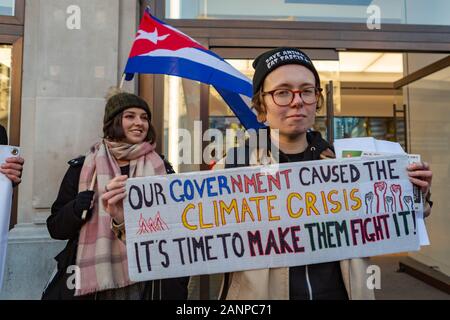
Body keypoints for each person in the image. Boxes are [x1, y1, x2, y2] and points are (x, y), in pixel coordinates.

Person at [217, 47, 433, 300]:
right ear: (261, 107)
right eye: (282, 92)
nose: (297, 101)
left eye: (307, 91)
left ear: (316, 100)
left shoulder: (350, 161)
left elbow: (391, 218)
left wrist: (417, 194)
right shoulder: (232, 166)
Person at [43, 89, 189, 300]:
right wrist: (76, 208)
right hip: (94, 282)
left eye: (144, 117)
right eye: (130, 116)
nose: (140, 123)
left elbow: (177, 224)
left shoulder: (161, 168)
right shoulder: (82, 168)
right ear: (113, 122)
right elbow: (55, 228)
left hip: (147, 278)